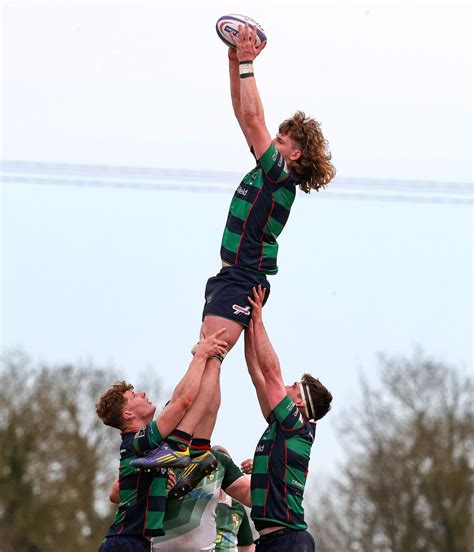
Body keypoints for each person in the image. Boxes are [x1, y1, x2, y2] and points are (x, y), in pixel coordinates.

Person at [134, 23, 336, 498]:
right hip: (232, 276)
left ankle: (187, 450)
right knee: (210, 360)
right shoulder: (271, 171)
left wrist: (247, 63)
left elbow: (252, 118)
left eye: (281, 138)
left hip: (243, 277)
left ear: (294, 152)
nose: (272, 140)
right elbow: (245, 117)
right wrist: (233, 64)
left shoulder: (279, 174)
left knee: (207, 360)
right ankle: (190, 449)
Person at [95, 329, 228, 552]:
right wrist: (201, 356)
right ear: (128, 415)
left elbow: (187, 402)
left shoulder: (146, 444)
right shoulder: (140, 441)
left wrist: (207, 361)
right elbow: (183, 402)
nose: (143, 394)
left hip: (134, 543)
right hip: (126, 543)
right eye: (134, 396)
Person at [244, 285, 333, 552]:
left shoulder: (294, 424)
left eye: (293, 386)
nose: (286, 385)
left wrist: (259, 318)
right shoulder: (283, 425)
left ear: (298, 403)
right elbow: (256, 372)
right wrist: (247, 325)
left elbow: (270, 372)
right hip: (275, 541)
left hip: (288, 541)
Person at [127, 446, 251, 551]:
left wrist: (263, 471)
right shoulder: (181, 483)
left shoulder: (237, 507)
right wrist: (153, 482)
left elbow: (247, 545)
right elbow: (122, 495)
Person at [214, 446, 255, 552]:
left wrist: (261, 469)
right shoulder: (196, 502)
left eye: (226, 463)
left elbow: (247, 547)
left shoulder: (238, 508)